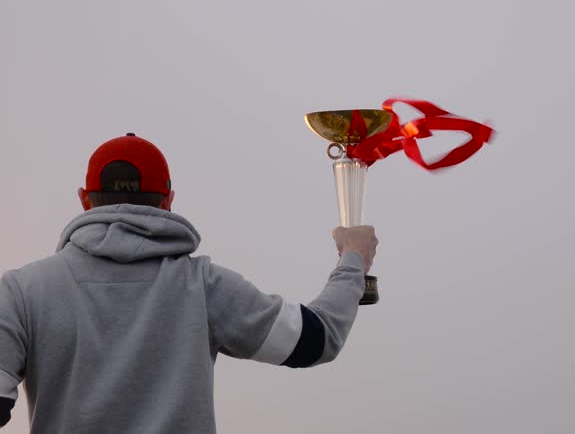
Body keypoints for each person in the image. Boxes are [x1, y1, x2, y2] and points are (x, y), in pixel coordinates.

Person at [0, 133, 378, 433]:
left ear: (85, 200)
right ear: (168, 201)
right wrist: (352, 261)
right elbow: (315, 340)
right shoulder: (204, 286)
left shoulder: (21, 291)